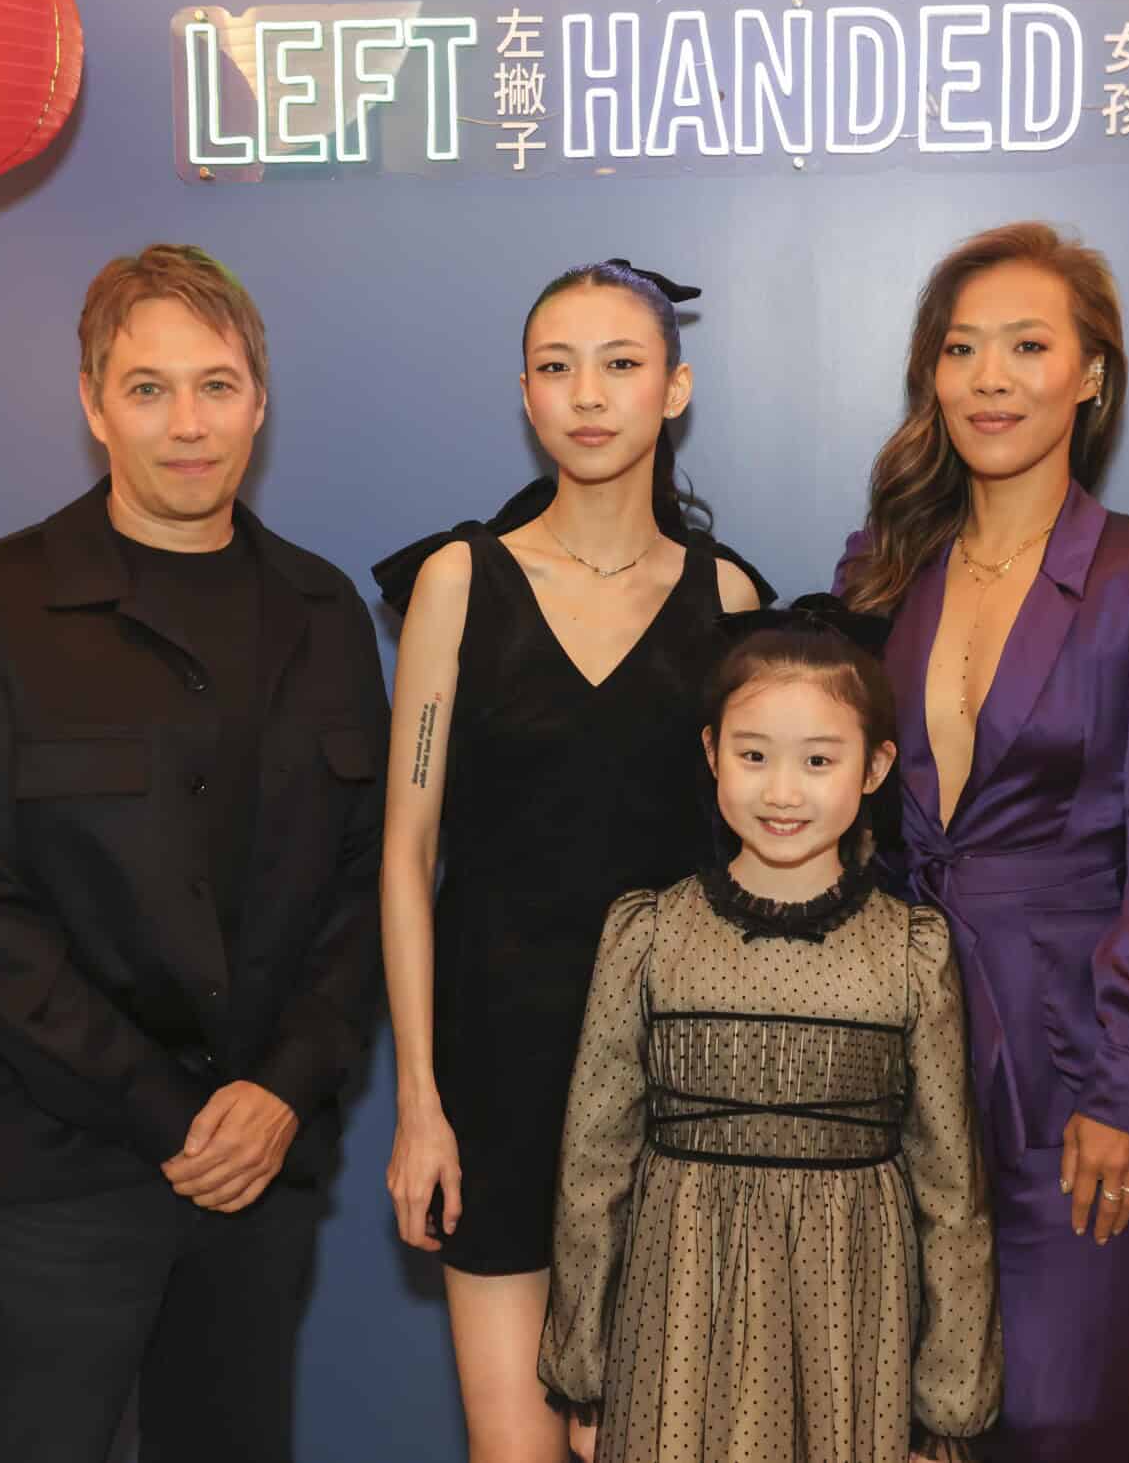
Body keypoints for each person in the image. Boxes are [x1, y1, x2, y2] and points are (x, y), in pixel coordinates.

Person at [0, 244, 388, 1463]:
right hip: (61, 1171)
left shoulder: (325, 615)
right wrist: (164, 1110)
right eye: (148, 387)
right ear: (91, 402)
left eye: (216, 386)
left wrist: (279, 1090)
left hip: (261, 1172)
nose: (186, 424)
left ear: (259, 403)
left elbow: (366, 885)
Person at [833, 221, 1129, 1461]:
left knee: (1053, 1414)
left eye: (1025, 346)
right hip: (892, 1052)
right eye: (959, 349)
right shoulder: (883, 572)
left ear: (1090, 374)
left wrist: (1128, 1086)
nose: (988, 378)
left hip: (1066, 1056)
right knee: (893, 1409)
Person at [372, 261, 770, 1463]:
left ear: (674, 388)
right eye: (556, 367)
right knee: (516, 1452)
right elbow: (406, 855)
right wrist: (419, 1101)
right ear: (526, 396)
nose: (586, 395)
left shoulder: (728, 597)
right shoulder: (459, 582)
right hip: (493, 1073)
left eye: (619, 364)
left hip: (669, 1083)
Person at [539, 598, 1002, 1463]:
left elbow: (951, 1192)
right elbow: (592, 1167)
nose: (782, 791)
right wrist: (585, 1370)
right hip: (673, 1322)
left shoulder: (911, 952)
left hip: (848, 1327)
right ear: (712, 753)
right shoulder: (647, 936)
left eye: (819, 759)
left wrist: (946, 1408)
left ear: (874, 766)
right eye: (753, 755)